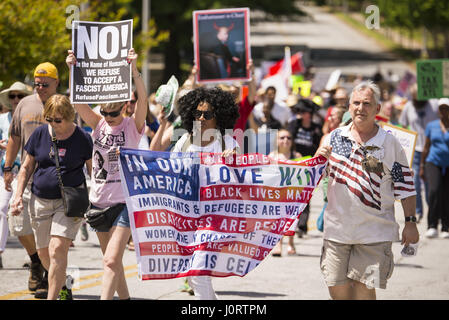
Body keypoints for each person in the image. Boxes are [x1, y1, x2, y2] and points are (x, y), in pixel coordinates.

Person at [315, 81, 419, 300]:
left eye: (366, 103)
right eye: (356, 103)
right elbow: (311, 178)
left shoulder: (390, 144)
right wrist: (318, 159)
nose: (360, 108)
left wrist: (410, 222)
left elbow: (405, 185)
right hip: (337, 233)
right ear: (349, 107)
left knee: (363, 291)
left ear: (377, 109)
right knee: (339, 293)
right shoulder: (334, 138)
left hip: (375, 234)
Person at [66, 48, 148, 300]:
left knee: (111, 260)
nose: (109, 117)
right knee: (112, 263)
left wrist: (134, 70)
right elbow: (77, 101)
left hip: (124, 202)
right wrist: (72, 69)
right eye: (105, 112)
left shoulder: (132, 126)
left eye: (114, 112)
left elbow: (143, 100)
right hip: (99, 201)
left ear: (124, 107)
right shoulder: (98, 123)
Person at [151, 86, 239, 300]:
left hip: (215, 216)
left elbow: (241, 177)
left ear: (218, 116)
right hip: (188, 215)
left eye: (207, 114)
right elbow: (168, 171)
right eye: (197, 113)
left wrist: (231, 160)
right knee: (195, 273)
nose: (201, 118)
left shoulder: (227, 142)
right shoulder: (185, 141)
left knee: (198, 271)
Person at [10, 94, 93, 300]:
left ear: (69, 117)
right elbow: (27, 167)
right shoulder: (39, 134)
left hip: (68, 202)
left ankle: (53, 296)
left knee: (57, 250)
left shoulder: (83, 138)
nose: (53, 124)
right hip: (40, 200)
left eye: (58, 120)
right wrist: (18, 196)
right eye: (49, 119)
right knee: (44, 253)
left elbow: (93, 171)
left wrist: (98, 200)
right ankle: (64, 283)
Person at [4, 62, 60, 298]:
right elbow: (14, 137)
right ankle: (36, 260)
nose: (40, 88)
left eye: (45, 84)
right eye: (37, 84)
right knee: (17, 223)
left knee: (46, 232)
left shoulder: (63, 106)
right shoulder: (25, 104)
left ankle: (49, 275)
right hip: (26, 175)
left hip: (53, 178)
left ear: (56, 83)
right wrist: (7, 167)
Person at [0, 82, 32, 268]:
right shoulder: (3, 119)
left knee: (29, 215)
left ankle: (33, 256)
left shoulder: (33, 117)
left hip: (28, 172)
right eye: (12, 96)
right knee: (2, 208)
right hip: (6, 172)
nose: (15, 100)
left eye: (19, 96)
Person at [398, 84, 439, 222]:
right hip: (416, 149)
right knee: (414, 181)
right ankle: (418, 211)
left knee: (430, 184)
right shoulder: (408, 106)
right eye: (415, 99)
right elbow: (403, 126)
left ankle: (433, 211)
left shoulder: (434, 104)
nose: (417, 102)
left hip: (432, 148)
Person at [287, 99, 323, 236]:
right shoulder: (293, 125)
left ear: (310, 114)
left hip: (309, 167)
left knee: (305, 196)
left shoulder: (316, 128)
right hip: (293, 165)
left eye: (304, 112)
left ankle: (302, 226)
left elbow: (319, 146)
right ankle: (290, 223)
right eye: (299, 112)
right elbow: (286, 140)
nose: (301, 114)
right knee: (292, 195)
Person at [419, 98, 449, 239]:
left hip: (448, 164)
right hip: (433, 162)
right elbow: (426, 147)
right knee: (434, 191)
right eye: (442, 108)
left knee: (446, 195)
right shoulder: (432, 126)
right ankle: (432, 225)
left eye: (447, 108)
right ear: (438, 110)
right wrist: (422, 166)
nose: (444, 111)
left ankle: (445, 226)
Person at [269, 129, 301, 256]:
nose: (285, 140)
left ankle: (291, 243)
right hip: (277, 193)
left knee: (292, 220)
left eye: (288, 137)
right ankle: (278, 244)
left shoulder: (297, 156)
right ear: (276, 141)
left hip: (293, 194)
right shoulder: (272, 156)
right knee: (278, 219)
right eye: (282, 138)